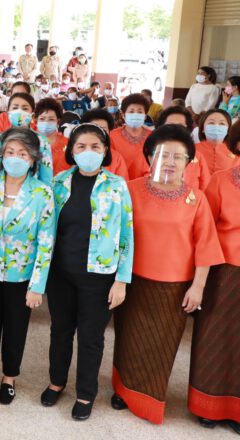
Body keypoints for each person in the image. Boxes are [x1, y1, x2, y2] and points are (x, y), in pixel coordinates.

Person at [111, 125, 224, 425]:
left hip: (173, 287)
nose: (171, 162)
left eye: (179, 156)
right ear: (149, 157)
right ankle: (123, 389)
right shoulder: (129, 189)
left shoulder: (196, 198)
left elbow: (206, 247)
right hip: (132, 281)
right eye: (163, 154)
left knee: (161, 346)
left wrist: (198, 288)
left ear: (189, 162)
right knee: (128, 339)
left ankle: (151, 395)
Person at [42, 124, 134, 421]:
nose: (88, 152)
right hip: (61, 273)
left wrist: (121, 280)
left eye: (95, 146)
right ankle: (56, 382)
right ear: (71, 151)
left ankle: (85, 393)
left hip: (99, 276)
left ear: (105, 151)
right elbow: (48, 230)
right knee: (60, 331)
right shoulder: (59, 182)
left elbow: (127, 236)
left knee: (91, 337)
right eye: (81, 146)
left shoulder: (117, 185)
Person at [0, 127, 55, 406]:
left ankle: (9, 377)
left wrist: (37, 286)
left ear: (33, 159)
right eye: (10, 152)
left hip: (22, 275)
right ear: (1, 155)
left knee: (15, 327)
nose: (15, 158)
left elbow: (46, 242)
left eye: (22, 153)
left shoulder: (43, 192)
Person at [192, 121, 240, 432]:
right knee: (214, 338)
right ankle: (207, 405)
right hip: (224, 271)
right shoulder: (221, 181)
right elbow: (204, 231)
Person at [156, 106, 212, 191]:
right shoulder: (151, 154)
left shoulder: (197, 157)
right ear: (161, 127)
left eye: (181, 126)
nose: (175, 129)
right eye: (170, 125)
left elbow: (206, 187)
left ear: (188, 129)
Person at [109, 93, 152, 180]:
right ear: (123, 115)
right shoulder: (112, 136)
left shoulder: (153, 137)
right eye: (131, 111)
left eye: (140, 112)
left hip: (145, 184)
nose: (135, 114)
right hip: (118, 185)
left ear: (145, 116)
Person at [79, 109, 131, 179]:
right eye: (94, 129)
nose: (99, 133)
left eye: (103, 129)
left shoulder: (117, 158)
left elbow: (124, 186)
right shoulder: (77, 155)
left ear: (109, 132)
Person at [195, 109, 236, 174]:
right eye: (211, 123)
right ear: (203, 128)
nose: (216, 126)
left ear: (228, 129)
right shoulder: (192, 150)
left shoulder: (235, 152)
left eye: (222, 123)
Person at [35, 98, 68, 176]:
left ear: (58, 121)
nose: (46, 122)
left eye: (51, 119)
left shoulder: (68, 143)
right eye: (42, 119)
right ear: (36, 120)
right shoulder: (28, 141)